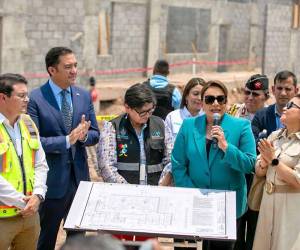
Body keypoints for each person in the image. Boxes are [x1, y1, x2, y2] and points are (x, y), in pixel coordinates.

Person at [28, 47, 100, 250]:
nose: (74, 70)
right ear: (52, 70)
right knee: (45, 239)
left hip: (80, 182)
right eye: (68, 66)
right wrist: (67, 140)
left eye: (75, 65)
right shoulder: (36, 99)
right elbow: (35, 142)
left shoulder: (83, 96)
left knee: (77, 241)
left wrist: (84, 135)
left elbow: (95, 134)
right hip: (52, 183)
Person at [172, 80, 257, 250]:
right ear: (202, 102)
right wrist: (193, 193)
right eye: (210, 99)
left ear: (226, 102)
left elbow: (249, 164)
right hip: (194, 202)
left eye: (220, 99)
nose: (215, 103)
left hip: (226, 207)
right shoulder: (189, 126)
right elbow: (178, 164)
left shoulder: (242, 126)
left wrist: (226, 147)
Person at [0, 73, 48, 250]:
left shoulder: (28, 123)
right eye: (21, 96)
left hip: (29, 217)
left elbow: (41, 164)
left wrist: (38, 195)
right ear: (3, 97)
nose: (27, 99)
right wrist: (24, 202)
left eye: (27, 95)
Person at [97, 83, 172, 185]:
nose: (147, 115)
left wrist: (161, 185)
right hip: (123, 194)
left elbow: (170, 161)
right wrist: (130, 191)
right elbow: (106, 167)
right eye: (142, 112)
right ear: (127, 107)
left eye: (150, 110)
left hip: (156, 191)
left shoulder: (160, 125)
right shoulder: (113, 127)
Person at [252, 94, 300, 250]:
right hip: (267, 204)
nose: (285, 107)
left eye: (292, 106)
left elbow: (297, 181)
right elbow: (258, 171)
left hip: (291, 209)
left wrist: (273, 160)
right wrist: (264, 163)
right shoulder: (275, 136)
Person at [228, 74, 269, 250]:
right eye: (247, 92)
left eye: (255, 94)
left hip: (258, 178)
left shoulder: (270, 115)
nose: (250, 97)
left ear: (266, 96)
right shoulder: (234, 112)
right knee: (235, 224)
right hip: (236, 174)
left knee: (254, 224)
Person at [159, 77, 206, 186]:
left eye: (202, 95)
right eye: (195, 93)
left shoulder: (208, 118)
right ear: (186, 96)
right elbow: (167, 150)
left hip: (200, 174)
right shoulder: (173, 117)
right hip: (175, 172)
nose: (199, 98)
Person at [252, 70, 298, 142]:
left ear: (296, 91)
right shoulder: (261, 116)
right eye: (279, 88)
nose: (283, 93)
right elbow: (252, 145)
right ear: (273, 90)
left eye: (288, 89)